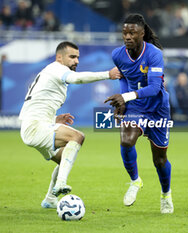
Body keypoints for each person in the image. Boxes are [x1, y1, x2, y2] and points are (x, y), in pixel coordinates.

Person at [19, 41, 121, 209]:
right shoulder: (58, 69)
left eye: (78, 57)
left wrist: (54, 120)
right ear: (59, 57)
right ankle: (61, 184)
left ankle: (50, 200)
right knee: (77, 137)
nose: (77, 61)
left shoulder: (50, 71)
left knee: (64, 158)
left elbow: (38, 102)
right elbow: (77, 78)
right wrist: (107, 74)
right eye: (72, 57)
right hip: (35, 127)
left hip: (36, 124)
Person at [104, 14, 174, 214]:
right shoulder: (118, 55)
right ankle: (135, 181)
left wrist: (125, 97)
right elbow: (125, 78)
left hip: (158, 109)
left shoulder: (154, 54)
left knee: (159, 160)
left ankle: (166, 194)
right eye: (124, 32)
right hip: (136, 107)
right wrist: (124, 103)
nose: (127, 36)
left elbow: (154, 87)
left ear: (142, 34)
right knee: (126, 140)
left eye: (132, 33)